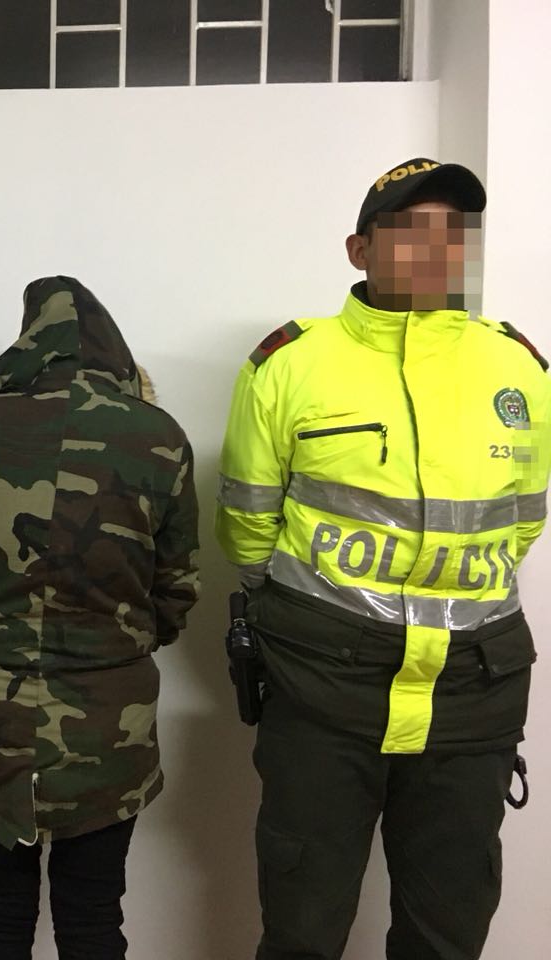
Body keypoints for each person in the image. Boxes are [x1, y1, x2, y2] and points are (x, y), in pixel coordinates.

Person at [215, 157, 550, 960]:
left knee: (448, 931)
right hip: (324, 683)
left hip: (474, 689)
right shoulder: (289, 362)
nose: (437, 249)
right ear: (359, 250)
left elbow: (524, 519)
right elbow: (247, 530)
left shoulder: (517, 366)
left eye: (453, 232)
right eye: (410, 231)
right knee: (302, 927)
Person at [0, 275, 200, 960]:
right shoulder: (158, 437)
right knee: (94, 913)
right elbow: (178, 585)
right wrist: (122, 645)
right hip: (112, 715)